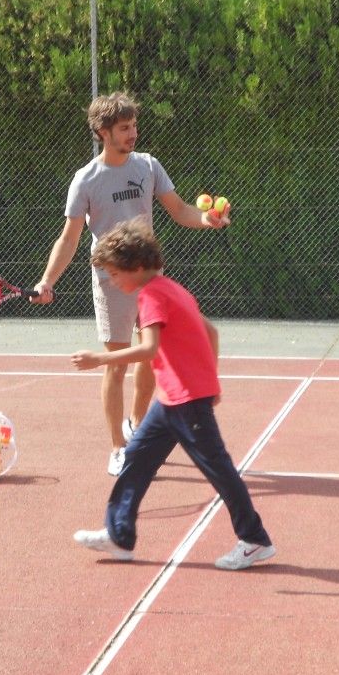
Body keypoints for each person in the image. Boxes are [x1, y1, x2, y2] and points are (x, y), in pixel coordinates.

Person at [31, 92, 230, 475]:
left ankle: (137, 428)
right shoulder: (85, 180)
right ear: (103, 132)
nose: (133, 133)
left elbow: (180, 209)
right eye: (124, 128)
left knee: (151, 358)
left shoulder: (148, 166)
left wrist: (208, 220)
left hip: (149, 279)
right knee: (117, 364)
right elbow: (69, 238)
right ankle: (118, 446)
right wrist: (47, 281)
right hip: (111, 281)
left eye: (134, 125)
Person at [69, 218, 275, 571]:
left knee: (219, 469)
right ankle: (119, 534)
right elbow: (211, 332)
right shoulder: (172, 287)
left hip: (185, 400)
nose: (112, 282)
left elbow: (148, 350)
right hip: (170, 399)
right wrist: (212, 381)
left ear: (135, 267)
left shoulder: (150, 297)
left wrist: (99, 358)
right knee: (136, 458)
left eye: (115, 274)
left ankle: (254, 539)